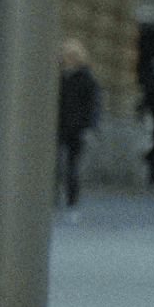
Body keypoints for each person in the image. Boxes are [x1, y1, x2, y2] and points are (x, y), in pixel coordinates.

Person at [53, 39, 100, 209]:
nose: (62, 57)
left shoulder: (86, 78)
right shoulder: (57, 76)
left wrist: (89, 127)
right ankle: (54, 199)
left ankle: (72, 200)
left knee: (72, 167)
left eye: (65, 54)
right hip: (58, 126)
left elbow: (93, 104)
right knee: (54, 165)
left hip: (77, 128)